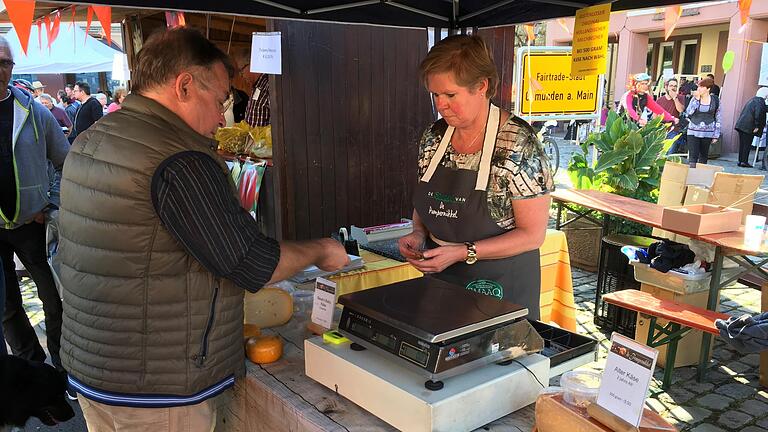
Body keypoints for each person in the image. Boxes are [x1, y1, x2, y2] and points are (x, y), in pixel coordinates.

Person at [57, 27, 348, 430]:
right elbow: (251, 262)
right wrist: (320, 249)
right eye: (219, 100)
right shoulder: (178, 158)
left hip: (96, 367)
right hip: (158, 388)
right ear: (185, 86)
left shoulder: (95, 137)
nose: (220, 117)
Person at [397, 34, 553, 318]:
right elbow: (427, 202)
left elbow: (532, 235)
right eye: (435, 95)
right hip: (440, 282)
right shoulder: (434, 136)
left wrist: (462, 252)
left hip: (500, 288)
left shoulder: (517, 143)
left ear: (481, 87)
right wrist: (418, 233)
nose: (441, 105)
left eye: (450, 95)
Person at [0, 35, 69, 373]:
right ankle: (32, 367)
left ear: (12, 68)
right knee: (7, 305)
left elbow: (65, 161)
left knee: (52, 299)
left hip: (32, 224)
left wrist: (51, 202)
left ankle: (62, 367)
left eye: (4, 63)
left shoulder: (34, 112)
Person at [684, 77, 721, 167]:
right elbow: (688, 113)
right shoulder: (694, 99)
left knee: (704, 157)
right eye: (698, 87)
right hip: (693, 130)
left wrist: (716, 134)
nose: (699, 89)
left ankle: (700, 177)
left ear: (708, 89)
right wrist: (696, 100)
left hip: (708, 132)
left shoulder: (715, 100)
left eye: (702, 87)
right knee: (693, 157)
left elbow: (718, 117)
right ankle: (692, 175)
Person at [735, 87, 768, 168]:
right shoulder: (760, 101)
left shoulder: (753, 100)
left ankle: (740, 161)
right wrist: (757, 126)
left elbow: (762, 109)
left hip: (742, 125)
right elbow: (758, 113)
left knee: (742, 145)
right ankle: (744, 161)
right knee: (747, 145)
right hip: (749, 126)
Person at [656, 78, 687, 155]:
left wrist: (675, 98)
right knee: (659, 154)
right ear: (666, 87)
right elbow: (655, 117)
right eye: (671, 86)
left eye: (675, 86)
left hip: (673, 130)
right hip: (661, 130)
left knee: (669, 154)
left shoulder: (680, 98)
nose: (673, 88)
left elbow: (680, 110)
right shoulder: (660, 100)